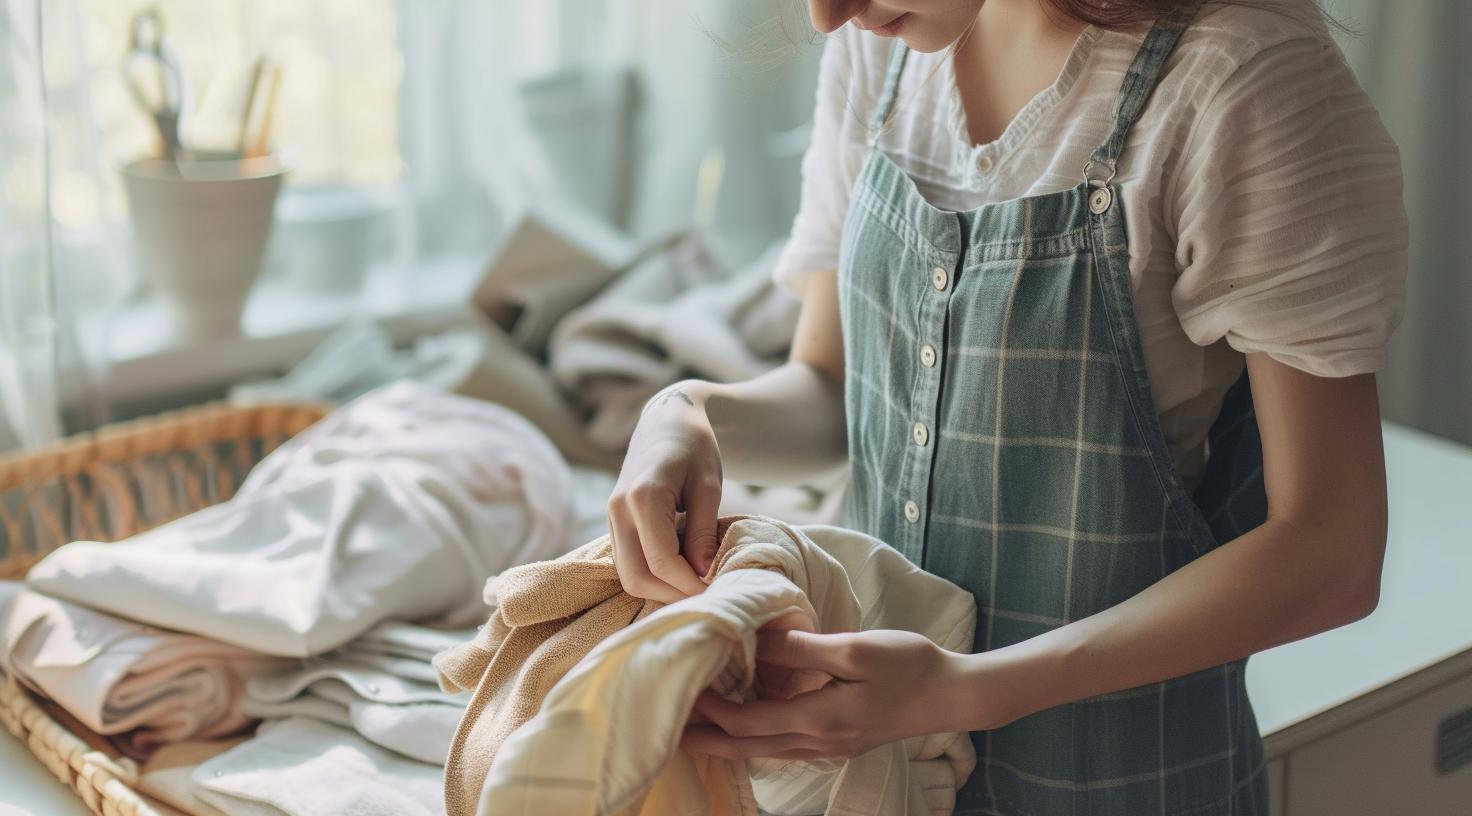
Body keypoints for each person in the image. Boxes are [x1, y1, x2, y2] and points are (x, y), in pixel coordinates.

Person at [606, 0, 1407, 812]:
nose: (824, 17)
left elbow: (1330, 552)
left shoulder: (1235, 79)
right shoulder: (879, 55)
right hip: (883, 780)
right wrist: (687, 413)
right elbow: (833, 391)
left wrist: (969, 691)